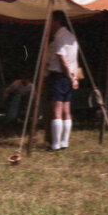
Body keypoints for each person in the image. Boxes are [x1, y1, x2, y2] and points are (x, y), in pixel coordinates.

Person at [46, 11, 79, 150]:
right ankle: (64, 142)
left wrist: (70, 77)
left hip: (59, 76)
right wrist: (74, 78)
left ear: (57, 22)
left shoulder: (59, 38)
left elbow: (63, 61)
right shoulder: (72, 37)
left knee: (57, 111)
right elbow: (75, 61)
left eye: (50, 21)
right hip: (69, 76)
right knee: (66, 110)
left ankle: (55, 144)